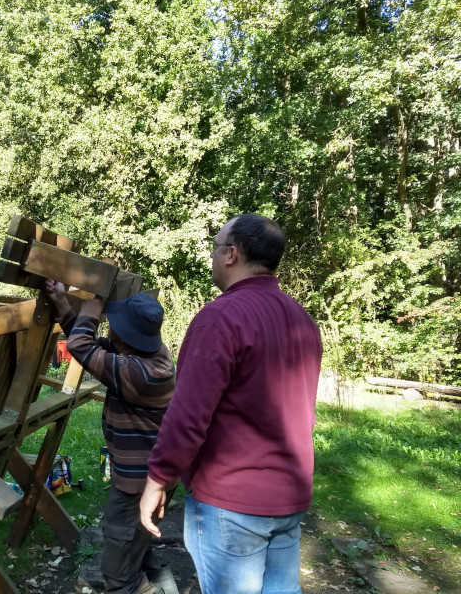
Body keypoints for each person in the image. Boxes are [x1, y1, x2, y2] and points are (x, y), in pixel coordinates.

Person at [139, 214, 323, 594]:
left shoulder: (220, 318)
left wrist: (158, 479)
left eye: (215, 246)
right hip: (289, 494)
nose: (211, 254)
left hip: (233, 503)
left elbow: (188, 416)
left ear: (231, 255)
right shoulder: (302, 318)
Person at [45, 280, 177, 594]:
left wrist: (94, 299)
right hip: (151, 480)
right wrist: (64, 305)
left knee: (118, 574)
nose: (110, 329)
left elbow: (82, 346)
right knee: (136, 548)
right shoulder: (150, 355)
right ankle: (156, 583)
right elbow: (89, 348)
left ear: (126, 336)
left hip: (139, 487)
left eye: (114, 325)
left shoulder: (141, 373)